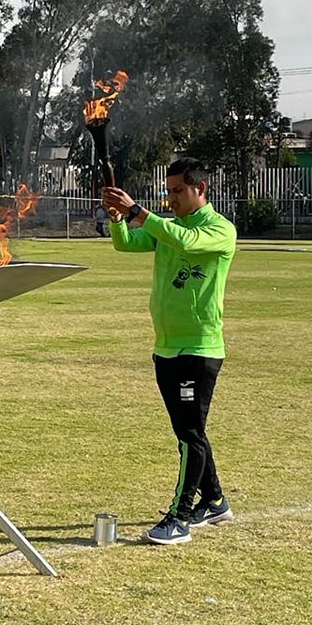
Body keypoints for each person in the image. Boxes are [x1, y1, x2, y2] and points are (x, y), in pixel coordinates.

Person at [102, 157, 237, 546]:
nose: (172, 198)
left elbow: (187, 241)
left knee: (189, 434)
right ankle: (214, 501)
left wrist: (135, 210)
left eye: (178, 191)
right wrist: (117, 218)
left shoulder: (220, 230)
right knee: (189, 431)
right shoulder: (168, 227)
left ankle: (179, 517)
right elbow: (127, 243)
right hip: (166, 346)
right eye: (169, 190)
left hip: (199, 348)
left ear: (201, 189)